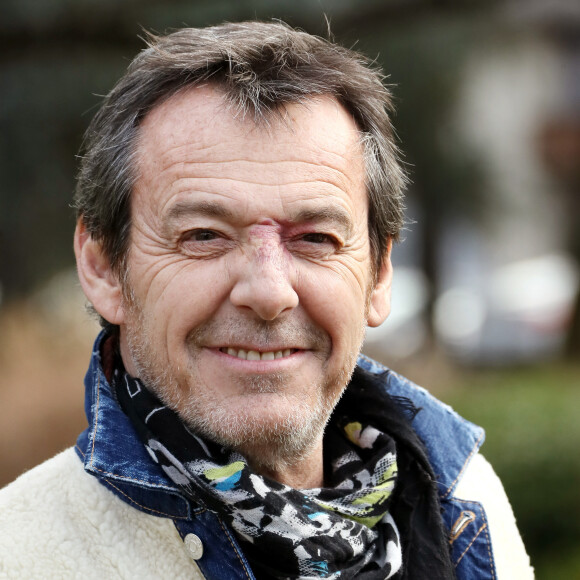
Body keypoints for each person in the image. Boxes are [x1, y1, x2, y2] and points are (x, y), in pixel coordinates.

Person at [0, 21, 533, 580]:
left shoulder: (470, 505)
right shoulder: (20, 557)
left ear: (377, 275)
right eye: (204, 235)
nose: (269, 292)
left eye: (315, 239)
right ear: (103, 265)